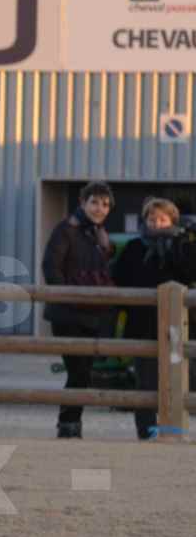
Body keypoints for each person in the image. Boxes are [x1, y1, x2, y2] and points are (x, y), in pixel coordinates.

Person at [111, 197, 196, 439]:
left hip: (181, 328)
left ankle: (175, 429)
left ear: (172, 220)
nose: (157, 223)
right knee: (145, 382)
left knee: (180, 379)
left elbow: (189, 273)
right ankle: (146, 432)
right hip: (142, 325)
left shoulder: (184, 246)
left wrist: (177, 249)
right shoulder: (134, 247)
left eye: (162, 219)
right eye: (152, 219)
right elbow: (120, 279)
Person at [41, 181, 116, 438]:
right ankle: (68, 424)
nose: (100, 208)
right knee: (77, 370)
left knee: (84, 371)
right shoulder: (66, 230)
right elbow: (51, 268)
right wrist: (69, 297)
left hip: (93, 313)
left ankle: (72, 423)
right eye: (94, 202)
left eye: (105, 204)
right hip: (68, 313)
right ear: (82, 203)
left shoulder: (101, 235)